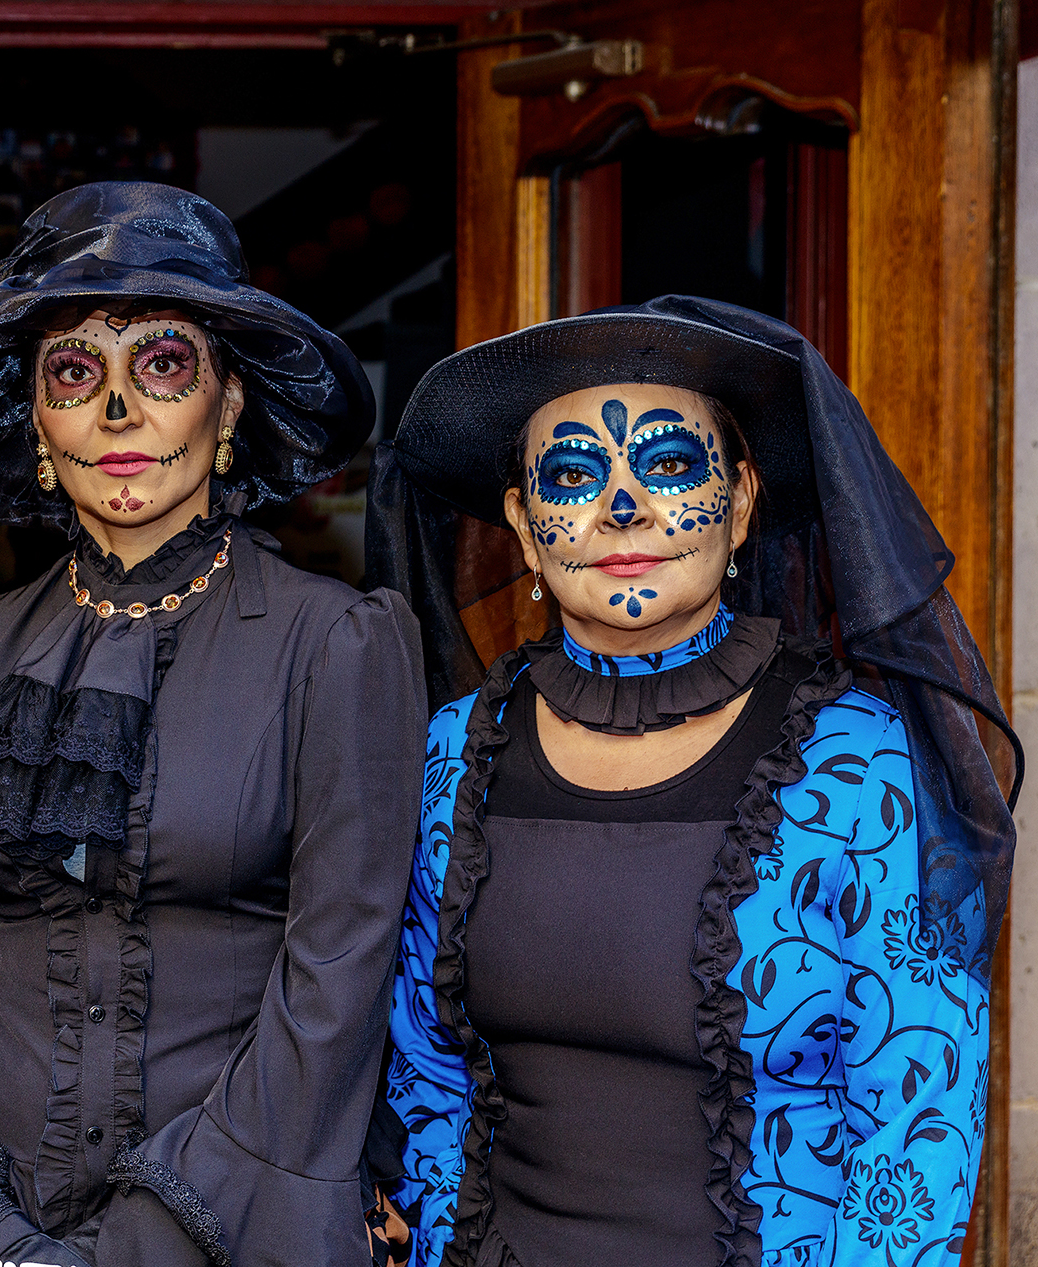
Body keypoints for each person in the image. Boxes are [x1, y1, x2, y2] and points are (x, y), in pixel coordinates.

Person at [365, 295, 1019, 1267]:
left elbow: (914, 1125)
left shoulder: (855, 760)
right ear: (524, 525)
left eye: (668, 464)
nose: (623, 507)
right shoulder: (457, 751)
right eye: (574, 475)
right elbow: (426, 1068)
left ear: (742, 501)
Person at [0, 180, 427, 1267]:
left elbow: (336, 986)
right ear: (37, 421)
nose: (117, 412)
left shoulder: (337, 643)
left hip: (240, 1226)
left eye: (162, 364)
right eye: (75, 373)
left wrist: (144, 1240)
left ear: (228, 406)